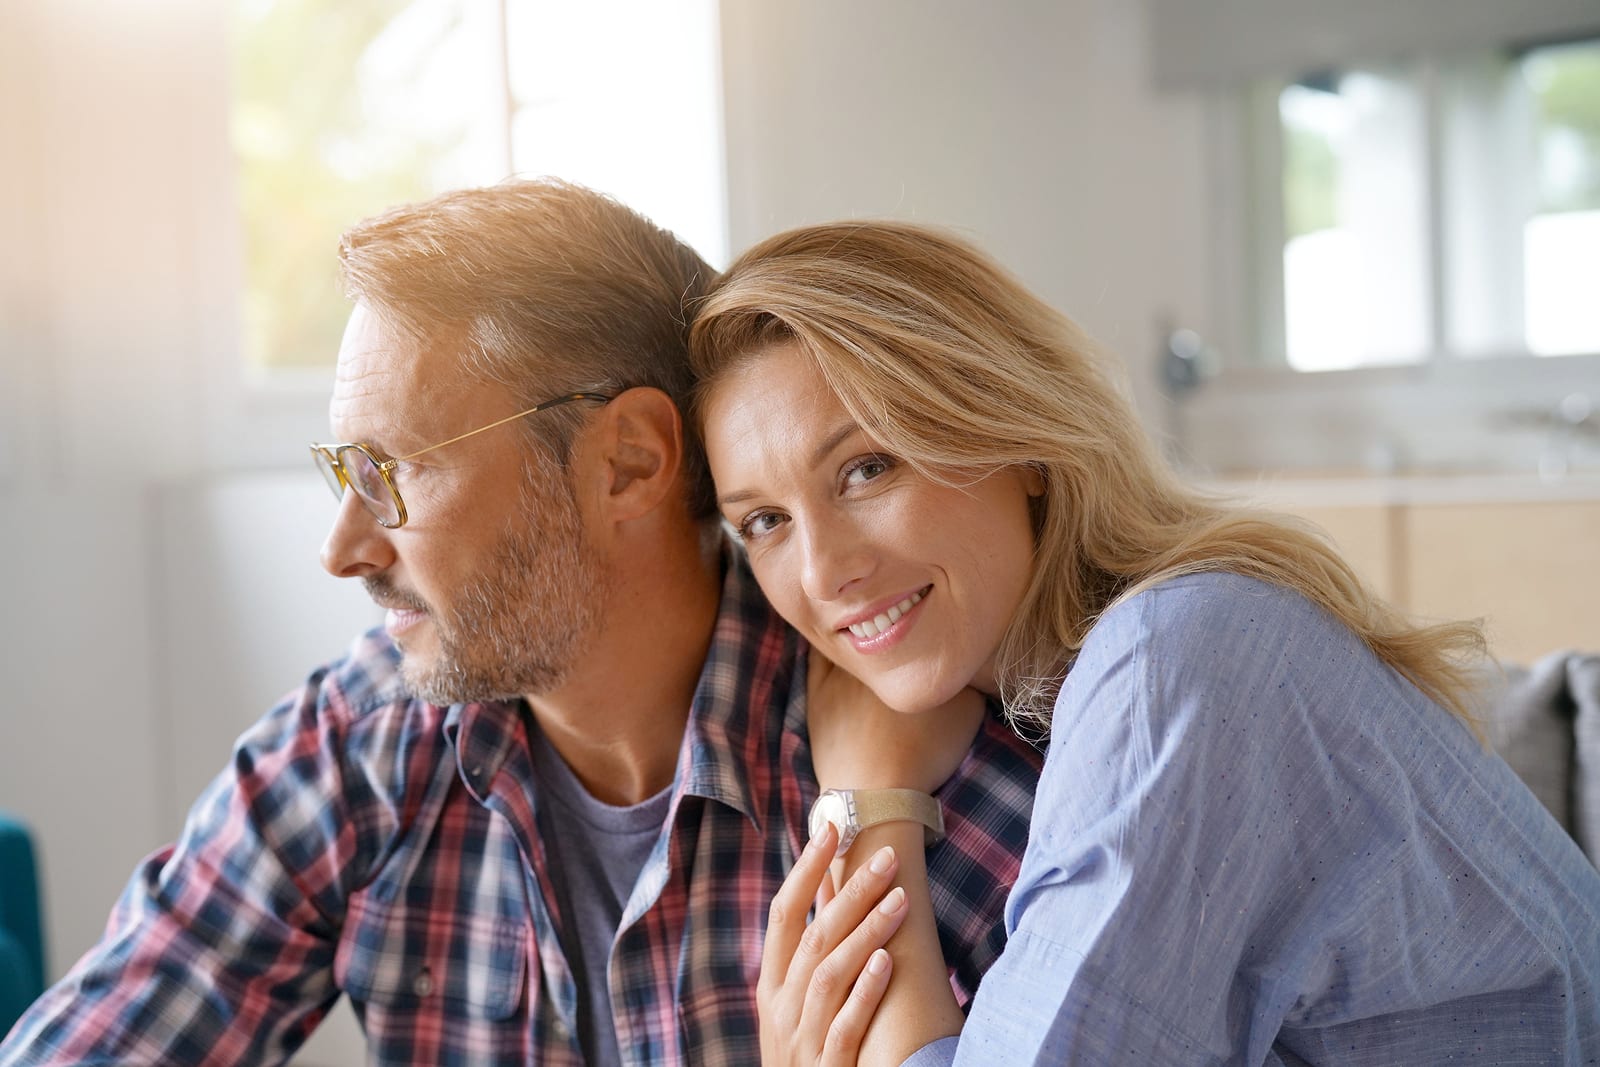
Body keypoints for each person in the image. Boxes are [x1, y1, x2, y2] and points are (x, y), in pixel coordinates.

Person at [0, 183, 1044, 1066]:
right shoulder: (360, 745)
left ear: (628, 459)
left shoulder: (931, 777)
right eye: (343, 474)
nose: (345, 548)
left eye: (395, 470)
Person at [688, 219, 1600, 1065]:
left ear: (1019, 437)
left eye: (866, 467)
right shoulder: (1098, 681)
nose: (820, 573)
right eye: (764, 520)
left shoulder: (1171, 668)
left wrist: (873, 803)